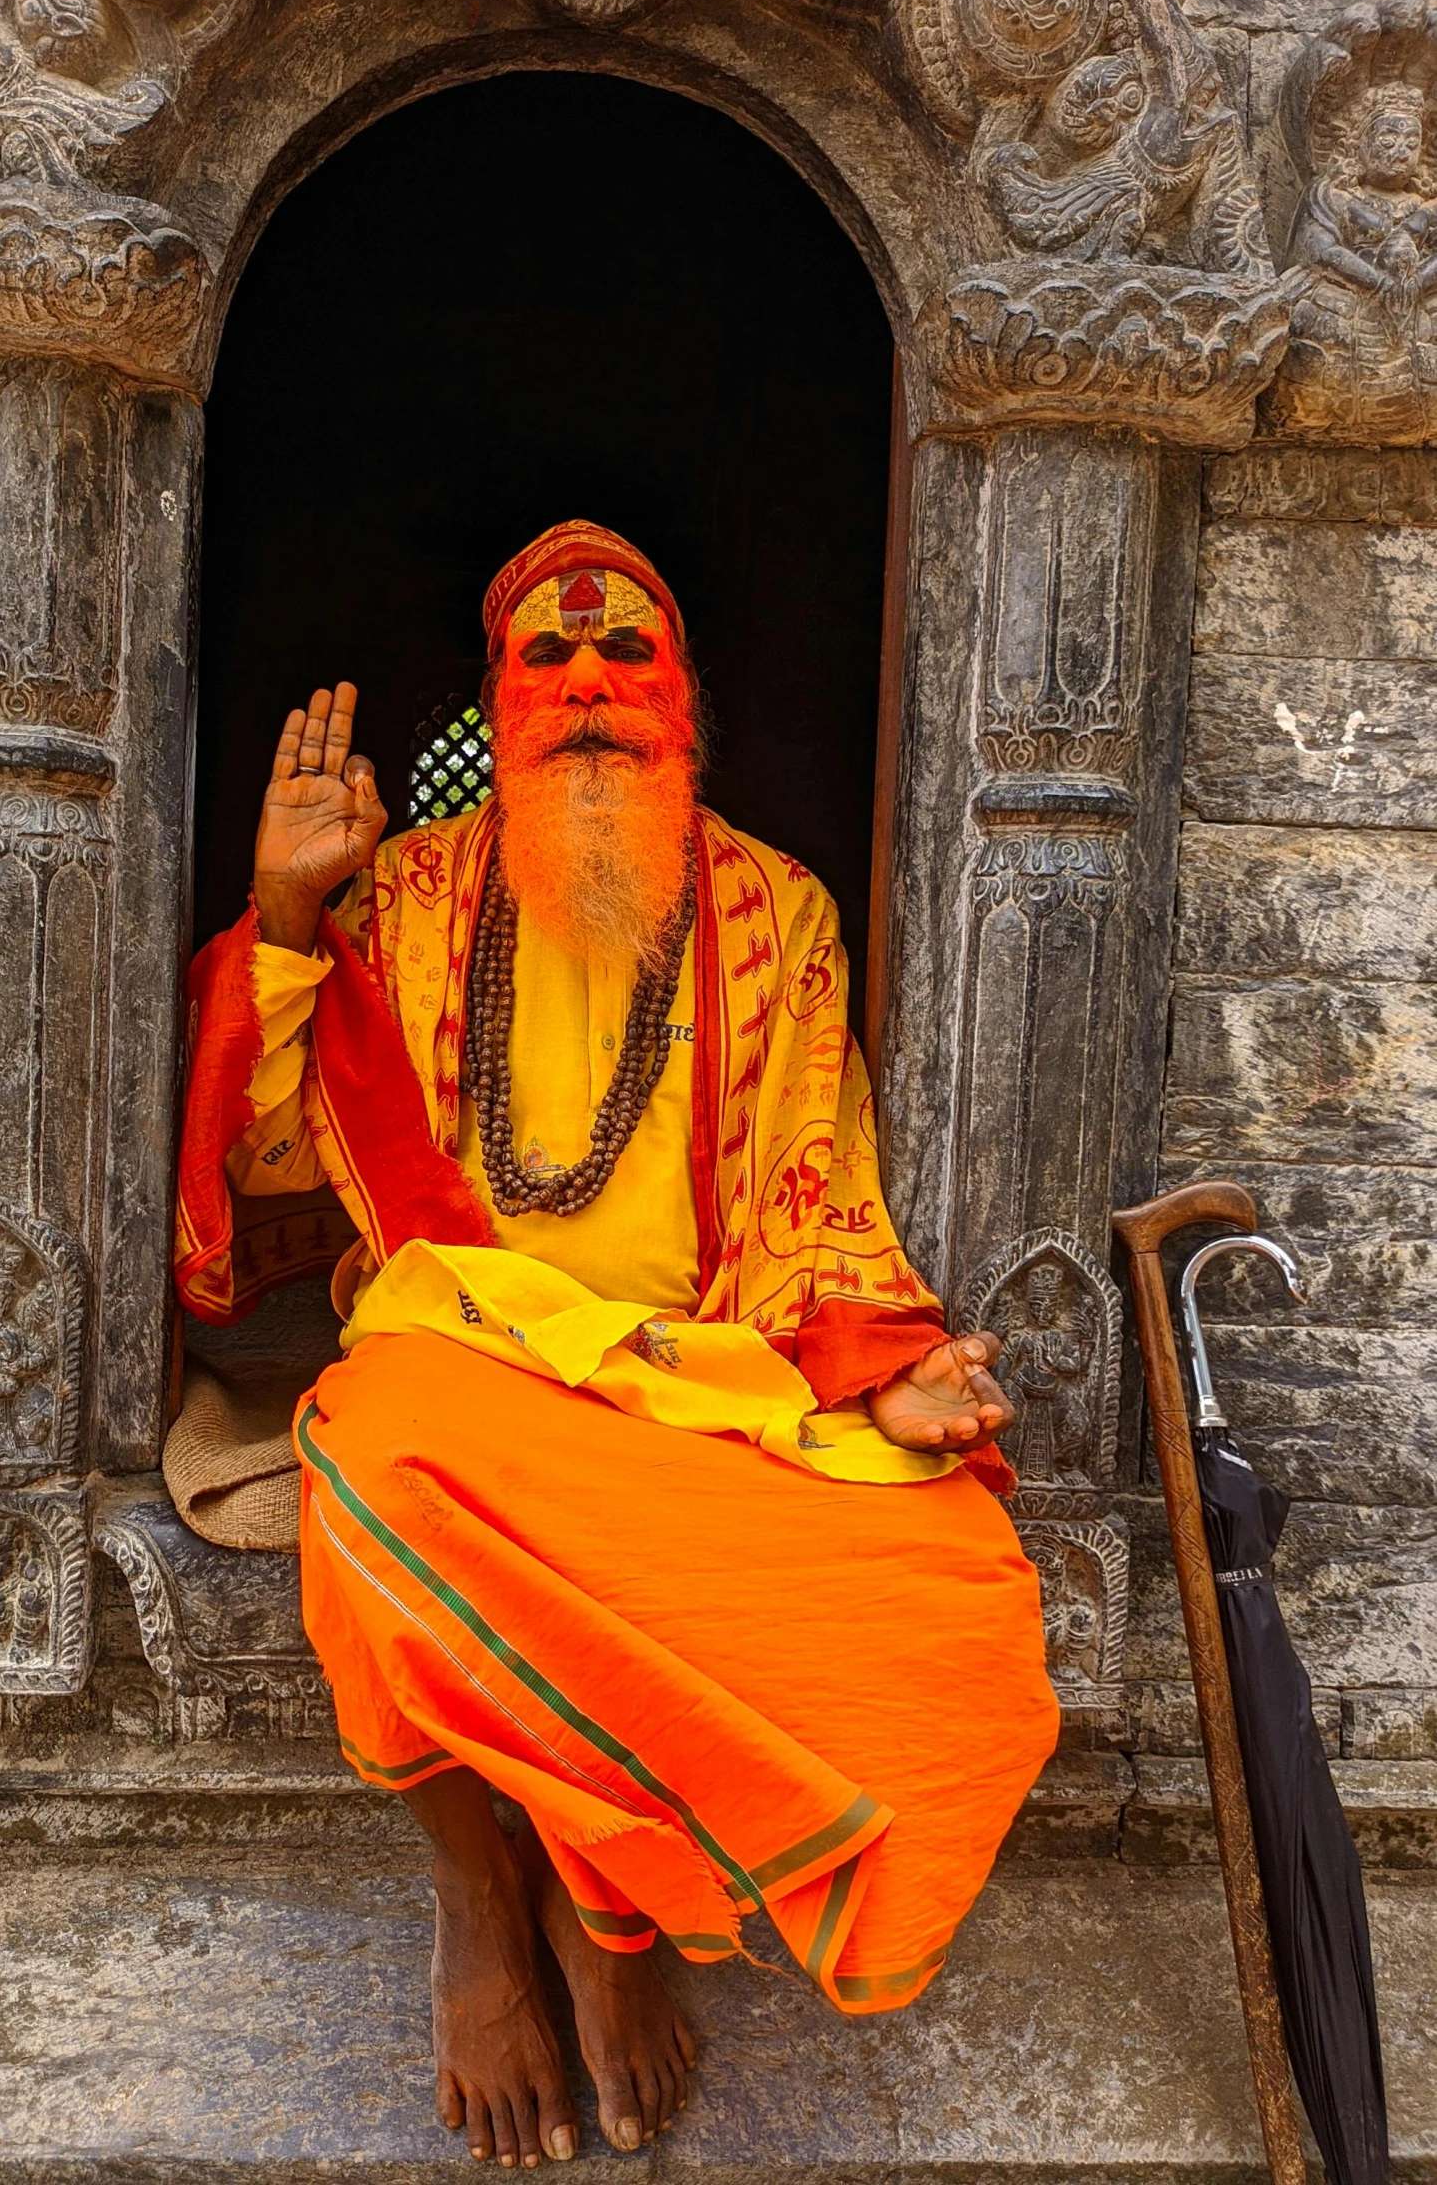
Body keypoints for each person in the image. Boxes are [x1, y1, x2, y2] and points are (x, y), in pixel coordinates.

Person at [176, 521, 1057, 2170]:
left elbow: (816, 1171)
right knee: (375, 1469)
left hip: (692, 1366)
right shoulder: (408, 897)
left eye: (624, 657)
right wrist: (287, 910)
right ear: (499, 703)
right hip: (458, 1350)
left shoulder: (774, 907)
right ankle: (486, 1902)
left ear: (683, 701)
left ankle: (613, 1909)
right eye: (550, 661)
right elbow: (273, 1158)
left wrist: (895, 1366)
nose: (588, 686)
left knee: (958, 1602)